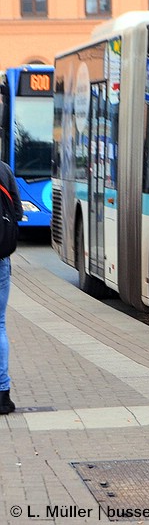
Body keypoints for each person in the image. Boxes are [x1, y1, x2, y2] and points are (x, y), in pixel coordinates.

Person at [0, 159, 22, 415]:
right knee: (0, 324)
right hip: (1, 259)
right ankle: (3, 396)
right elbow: (16, 213)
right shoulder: (4, 169)